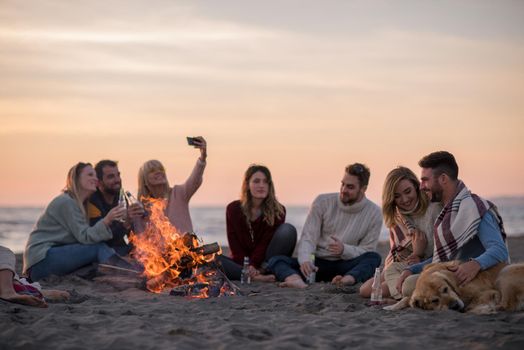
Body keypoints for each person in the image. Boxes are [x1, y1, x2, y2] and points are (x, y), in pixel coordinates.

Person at [396, 151, 509, 297]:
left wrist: (475, 264)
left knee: (411, 285)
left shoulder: (474, 207)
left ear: (443, 179)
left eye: (425, 180)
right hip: (457, 275)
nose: (421, 187)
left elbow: (499, 250)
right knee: (410, 280)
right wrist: (412, 269)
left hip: (482, 277)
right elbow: (443, 258)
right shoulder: (447, 215)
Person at [267, 163, 383, 288]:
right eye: (342, 184)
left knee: (374, 258)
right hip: (317, 265)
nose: (343, 190)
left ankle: (345, 281)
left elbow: (367, 249)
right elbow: (308, 237)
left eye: (350, 187)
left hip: (346, 265)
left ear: (363, 189)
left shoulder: (374, 213)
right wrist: (305, 260)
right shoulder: (322, 202)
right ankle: (295, 280)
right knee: (276, 260)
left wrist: (344, 249)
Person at [23, 162, 139, 281]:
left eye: (95, 175)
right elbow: (85, 237)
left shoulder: (80, 204)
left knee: (95, 263)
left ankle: (133, 272)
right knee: (98, 248)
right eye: (90, 175)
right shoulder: (66, 202)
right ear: (77, 179)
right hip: (40, 260)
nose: (95, 178)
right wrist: (107, 220)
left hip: (51, 258)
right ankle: (136, 274)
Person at [359, 166, 441, 300]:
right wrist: (409, 255)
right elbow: (396, 252)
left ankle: (399, 297)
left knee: (378, 291)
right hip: (404, 265)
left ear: (416, 186)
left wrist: (417, 254)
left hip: (427, 266)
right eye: (397, 196)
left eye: (408, 191)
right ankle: (397, 292)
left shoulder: (433, 209)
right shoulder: (398, 216)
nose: (404, 200)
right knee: (365, 289)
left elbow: (442, 253)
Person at [217, 164, 297, 282]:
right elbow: (234, 245)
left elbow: (265, 243)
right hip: (241, 264)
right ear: (247, 185)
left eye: (265, 182)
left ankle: (257, 274)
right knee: (210, 258)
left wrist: (255, 266)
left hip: (266, 264)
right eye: (256, 181)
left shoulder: (278, 211)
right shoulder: (233, 209)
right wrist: (247, 266)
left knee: (288, 230)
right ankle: (254, 277)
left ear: (270, 186)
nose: (261, 186)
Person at [136, 136, 207, 233]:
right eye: (152, 171)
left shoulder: (178, 193)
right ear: (144, 180)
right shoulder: (141, 206)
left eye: (161, 169)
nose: (158, 172)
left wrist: (202, 158)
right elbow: (139, 237)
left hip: (185, 247)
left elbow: (195, 179)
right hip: (156, 248)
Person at [88, 160, 144, 256]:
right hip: (101, 250)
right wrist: (126, 222)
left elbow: (126, 236)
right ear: (99, 182)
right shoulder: (91, 202)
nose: (117, 180)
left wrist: (140, 216)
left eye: (118, 175)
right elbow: (102, 239)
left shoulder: (121, 196)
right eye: (111, 177)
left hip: (121, 247)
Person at [1, 245, 68, 307]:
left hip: (33, 264)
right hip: (38, 261)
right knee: (4, 252)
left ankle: (16, 287)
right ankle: (9, 291)